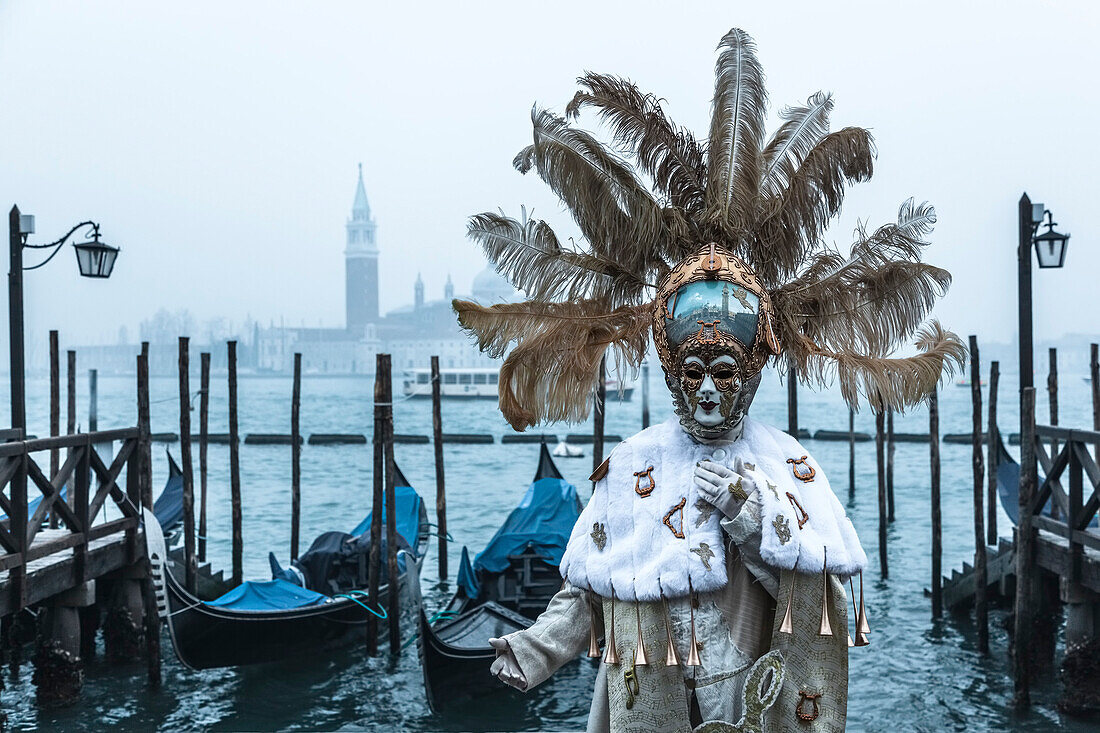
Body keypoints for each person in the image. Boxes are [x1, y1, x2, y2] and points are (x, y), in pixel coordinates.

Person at [454, 27, 964, 732]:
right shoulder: (634, 465)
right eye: (692, 372)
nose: (708, 390)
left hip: (748, 698)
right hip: (651, 699)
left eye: (725, 371)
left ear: (753, 370)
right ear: (670, 368)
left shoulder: (785, 466)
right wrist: (535, 650)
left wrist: (752, 520)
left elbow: (812, 589)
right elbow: (592, 581)